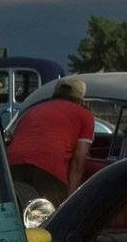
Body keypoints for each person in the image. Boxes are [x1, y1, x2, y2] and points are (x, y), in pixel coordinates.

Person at [5, 75, 94, 204]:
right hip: (50, 167)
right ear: (80, 99)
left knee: (16, 208)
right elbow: (78, 161)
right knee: (49, 215)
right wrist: (70, 201)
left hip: (14, 163)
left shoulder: (35, 109)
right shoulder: (84, 115)